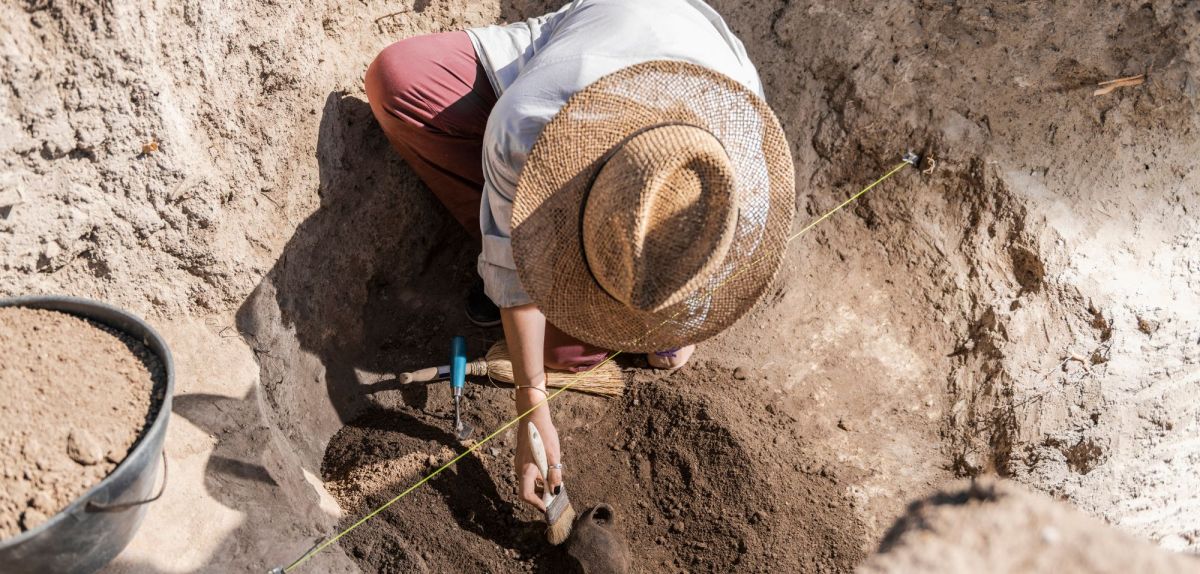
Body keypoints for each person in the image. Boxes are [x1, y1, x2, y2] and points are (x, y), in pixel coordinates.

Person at [364, 0, 794, 523]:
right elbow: (517, 286)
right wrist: (531, 404)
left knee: (589, 348)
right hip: (585, 33)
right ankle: (529, 237)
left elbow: (702, 275)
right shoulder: (528, 122)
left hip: (693, 49)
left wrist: (676, 326)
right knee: (399, 79)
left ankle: (630, 309)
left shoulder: (738, 181)